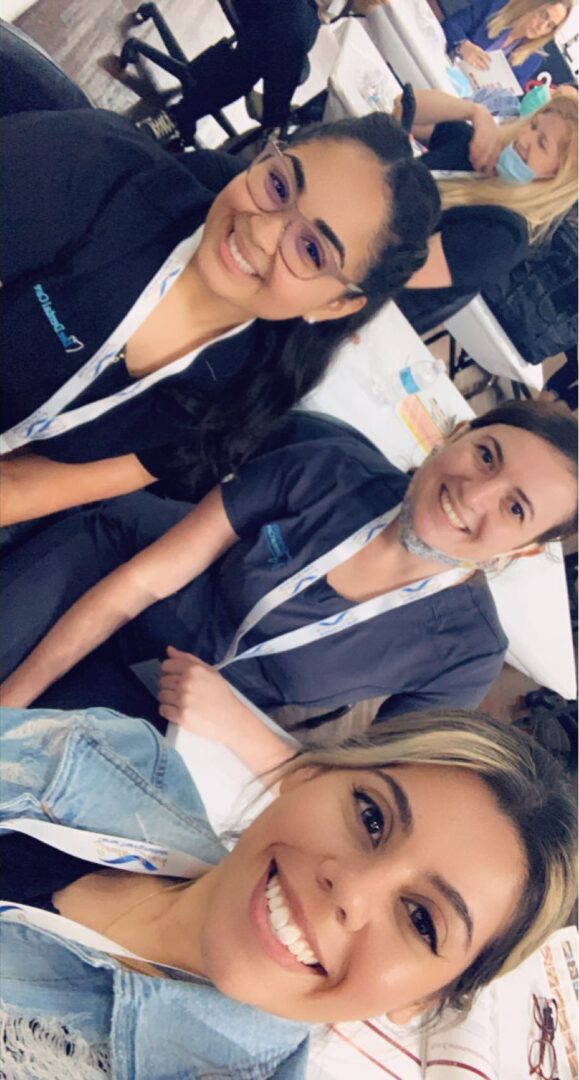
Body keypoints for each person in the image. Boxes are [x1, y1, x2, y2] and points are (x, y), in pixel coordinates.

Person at [1, 705, 576, 1078]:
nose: (352, 889)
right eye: (372, 818)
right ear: (307, 776)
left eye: (423, 920)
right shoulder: (112, 754)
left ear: (422, 1001)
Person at [1, 401, 576, 728]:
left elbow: (358, 789)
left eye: (515, 507)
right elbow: (140, 583)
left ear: (523, 550)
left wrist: (241, 729)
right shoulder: (325, 469)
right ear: (455, 434)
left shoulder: (467, 652)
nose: (475, 495)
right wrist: (9, 709)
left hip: (190, 719)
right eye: (485, 455)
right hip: (112, 576)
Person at [0, 107, 438, 523]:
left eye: (310, 250)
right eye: (279, 187)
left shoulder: (250, 391)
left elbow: (28, 486)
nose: (263, 231)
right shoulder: (92, 168)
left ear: (334, 304)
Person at [395, 86, 578, 332]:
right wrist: (474, 111)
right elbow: (405, 107)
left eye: (542, 144)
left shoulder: (503, 236)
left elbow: (398, 269)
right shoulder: (478, 154)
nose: (524, 138)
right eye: (533, 125)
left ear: (555, 177)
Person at [120, 0, 391, 144]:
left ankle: (180, 115)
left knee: (266, 52)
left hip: (297, 17)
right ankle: (274, 126)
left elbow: (337, 10)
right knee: (289, 40)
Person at [442, 0, 574, 84]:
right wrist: (463, 45)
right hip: (444, 66)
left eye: (550, 26)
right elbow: (451, 24)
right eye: (544, 15)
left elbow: (509, 100)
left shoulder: (533, 59)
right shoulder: (496, 6)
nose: (542, 27)